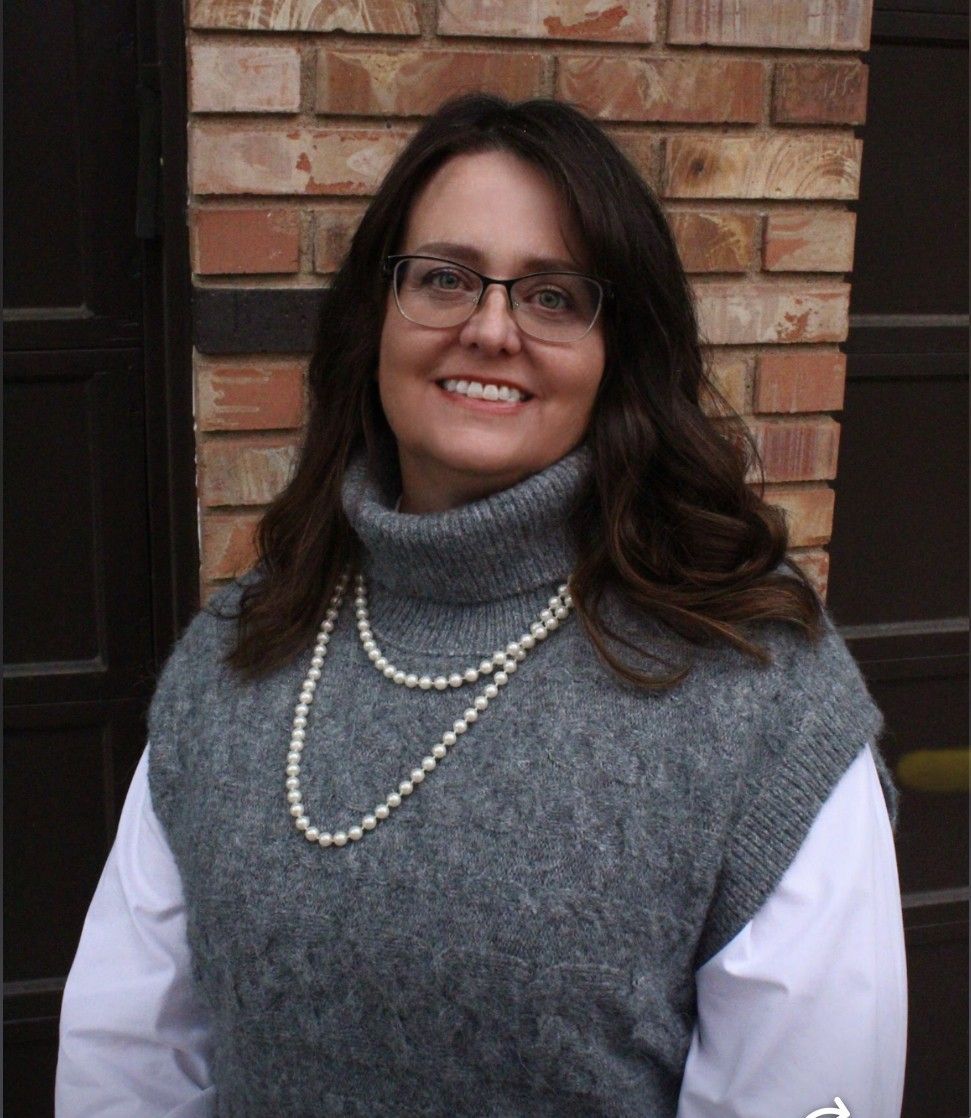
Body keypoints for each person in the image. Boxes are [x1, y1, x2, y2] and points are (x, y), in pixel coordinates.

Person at [56, 94, 907, 1117]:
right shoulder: (236, 655)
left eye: (552, 296)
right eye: (446, 278)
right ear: (376, 314)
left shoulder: (758, 692)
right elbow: (127, 1062)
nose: (490, 328)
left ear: (617, 351)